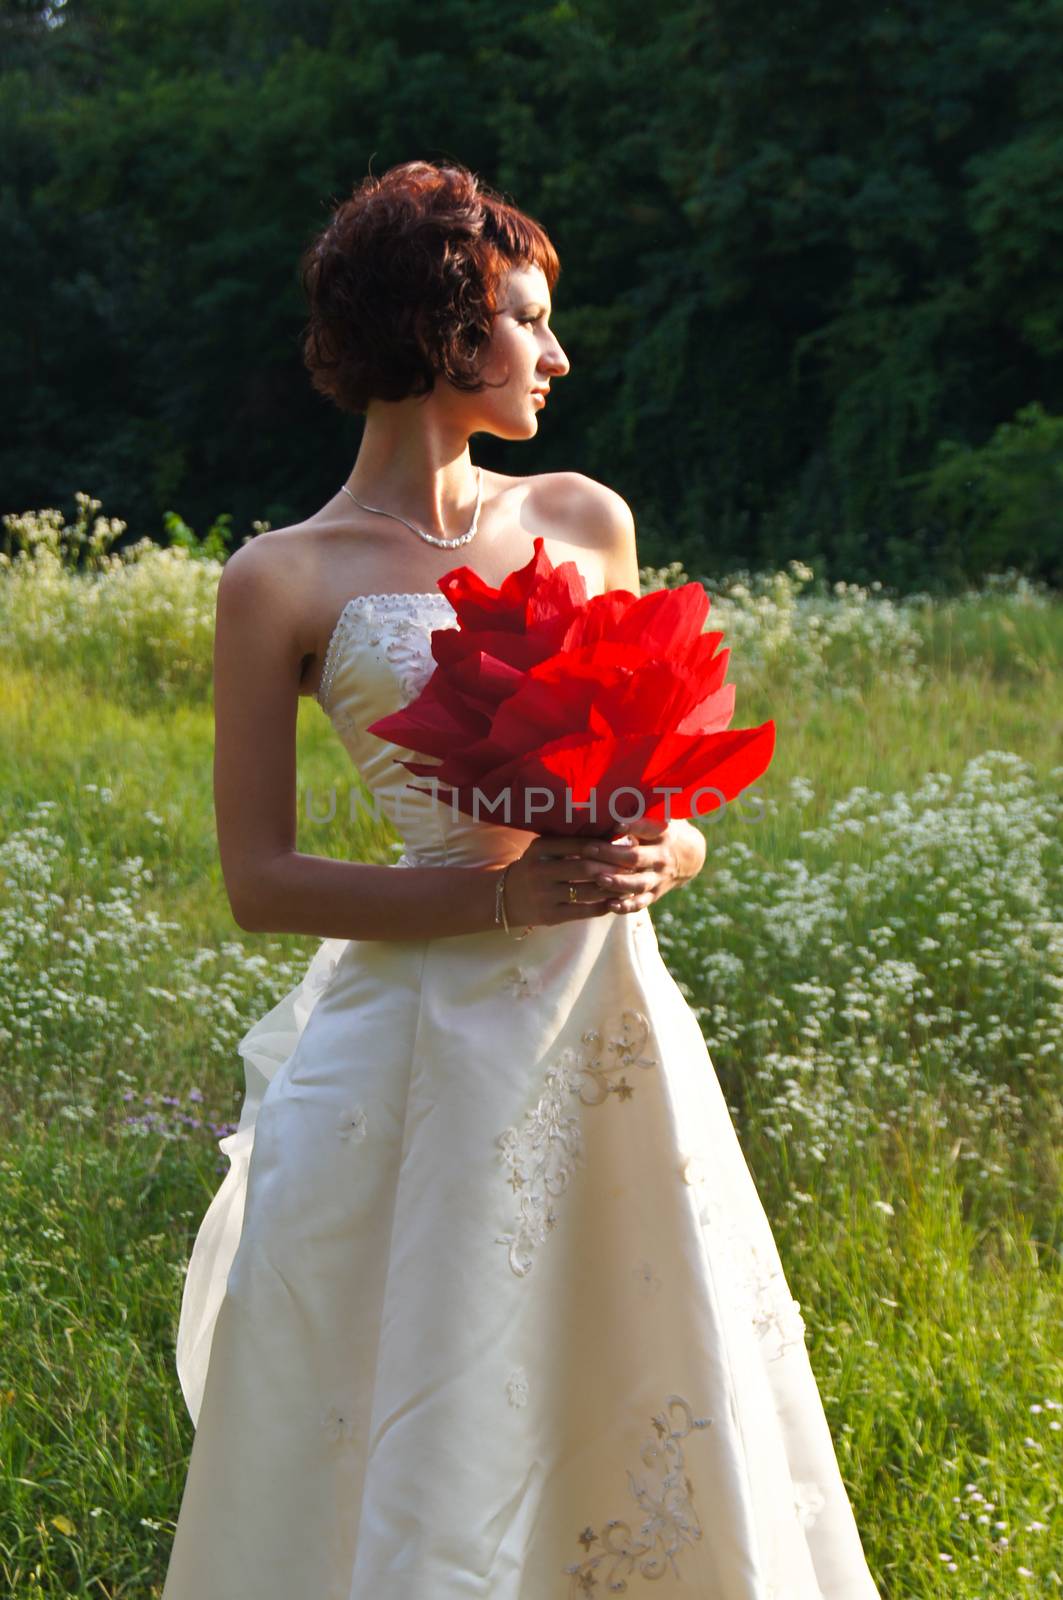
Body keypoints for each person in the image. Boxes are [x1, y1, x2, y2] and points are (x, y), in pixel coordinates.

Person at [161, 158, 881, 1599]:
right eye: (528, 321)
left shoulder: (585, 518)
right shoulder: (279, 581)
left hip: (607, 1019)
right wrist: (500, 898)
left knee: (638, 1354)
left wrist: (655, 850)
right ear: (443, 331)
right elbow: (260, 880)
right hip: (416, 1044)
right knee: (422, 1389)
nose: (555, 353)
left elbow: (676, 807)